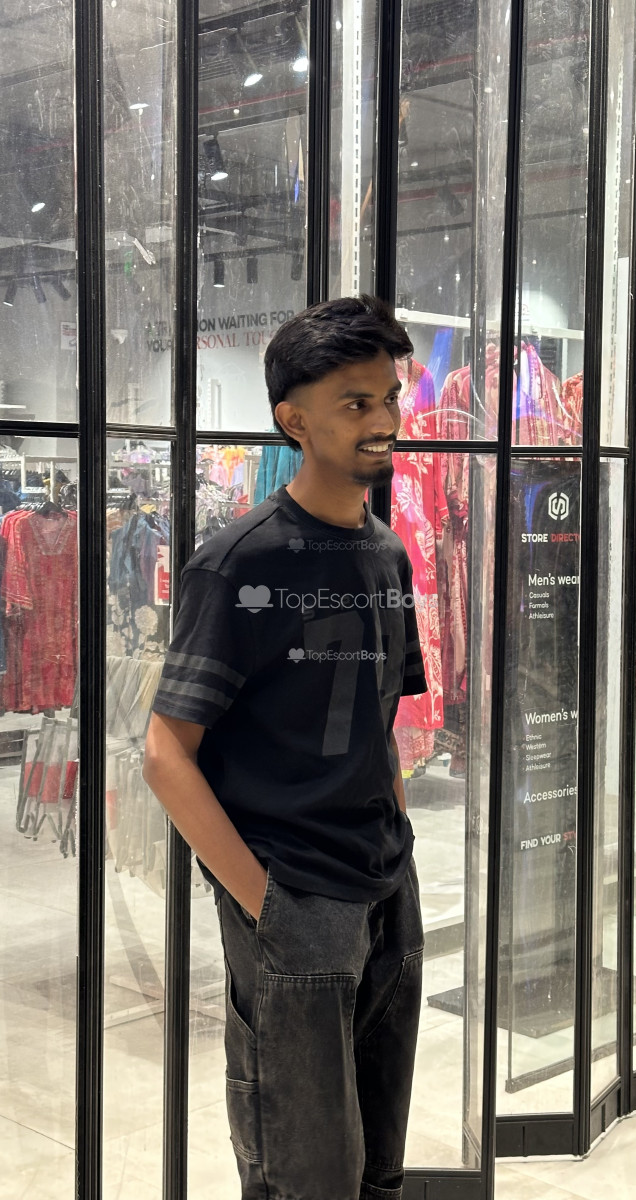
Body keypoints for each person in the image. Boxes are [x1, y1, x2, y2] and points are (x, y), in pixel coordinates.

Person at [143, 295, 427, 1200]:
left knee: (377, 1160)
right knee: (304, 1172)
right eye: (356, 403)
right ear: (293, 421)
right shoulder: (239, 563)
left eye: (389, 397)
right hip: (295, 892)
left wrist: (397, 840)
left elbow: (377, 718)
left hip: (385, 882)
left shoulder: (386, 555)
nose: (384, 420)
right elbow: (165, 751)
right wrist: (265, 902)